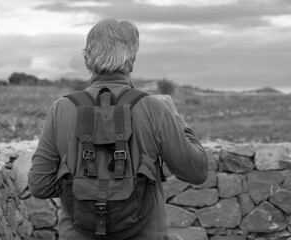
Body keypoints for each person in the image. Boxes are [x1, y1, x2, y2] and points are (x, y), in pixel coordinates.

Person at [28, 18, 208, 240]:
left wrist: (81, 190)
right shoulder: (154, 108)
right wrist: (176, 117)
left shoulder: (61, 109)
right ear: (131, 61)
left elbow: (39, 186)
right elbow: (196, 172)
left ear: (86, 60)